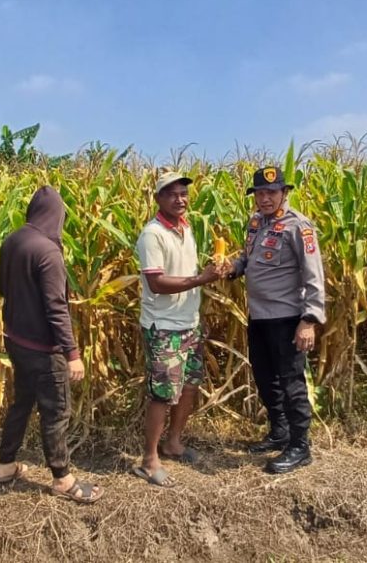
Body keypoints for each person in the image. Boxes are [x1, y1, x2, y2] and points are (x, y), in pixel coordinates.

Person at [0, 186, 103, 504]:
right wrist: (72, 353)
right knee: (56, 411)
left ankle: (5, 465)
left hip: (16, 341)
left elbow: (2, 286)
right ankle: (62, 479)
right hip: (43, 349)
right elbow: (57, 307)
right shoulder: (48, 252)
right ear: (56, 216)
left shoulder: (12, 240)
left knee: (22, 403)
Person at [227, 166, 326, 474]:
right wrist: (233, 268)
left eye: (271, 192)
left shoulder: (299, 226)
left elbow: (314, 275)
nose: (265, 198)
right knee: (265, 377)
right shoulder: (256, 222)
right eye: (260, 193)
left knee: (291, 382)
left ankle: (300, 446)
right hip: (258, 316)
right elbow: (248, 258)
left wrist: (309, 320)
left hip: (287, 318)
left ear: (284, 193)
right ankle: (279, 432)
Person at [132, 171, 226, 487]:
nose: (179, 199)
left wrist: (215, 272)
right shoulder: (153, 234)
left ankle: (173, 443)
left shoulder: (186, 228)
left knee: (189, 386)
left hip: (189, 323)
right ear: (158, 198)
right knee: (162, 394)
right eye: (171, 194)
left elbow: (186, 272)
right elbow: (156, 283)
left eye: (183, 193)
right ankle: (149, 460)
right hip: (164, 327)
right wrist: (202, 279)